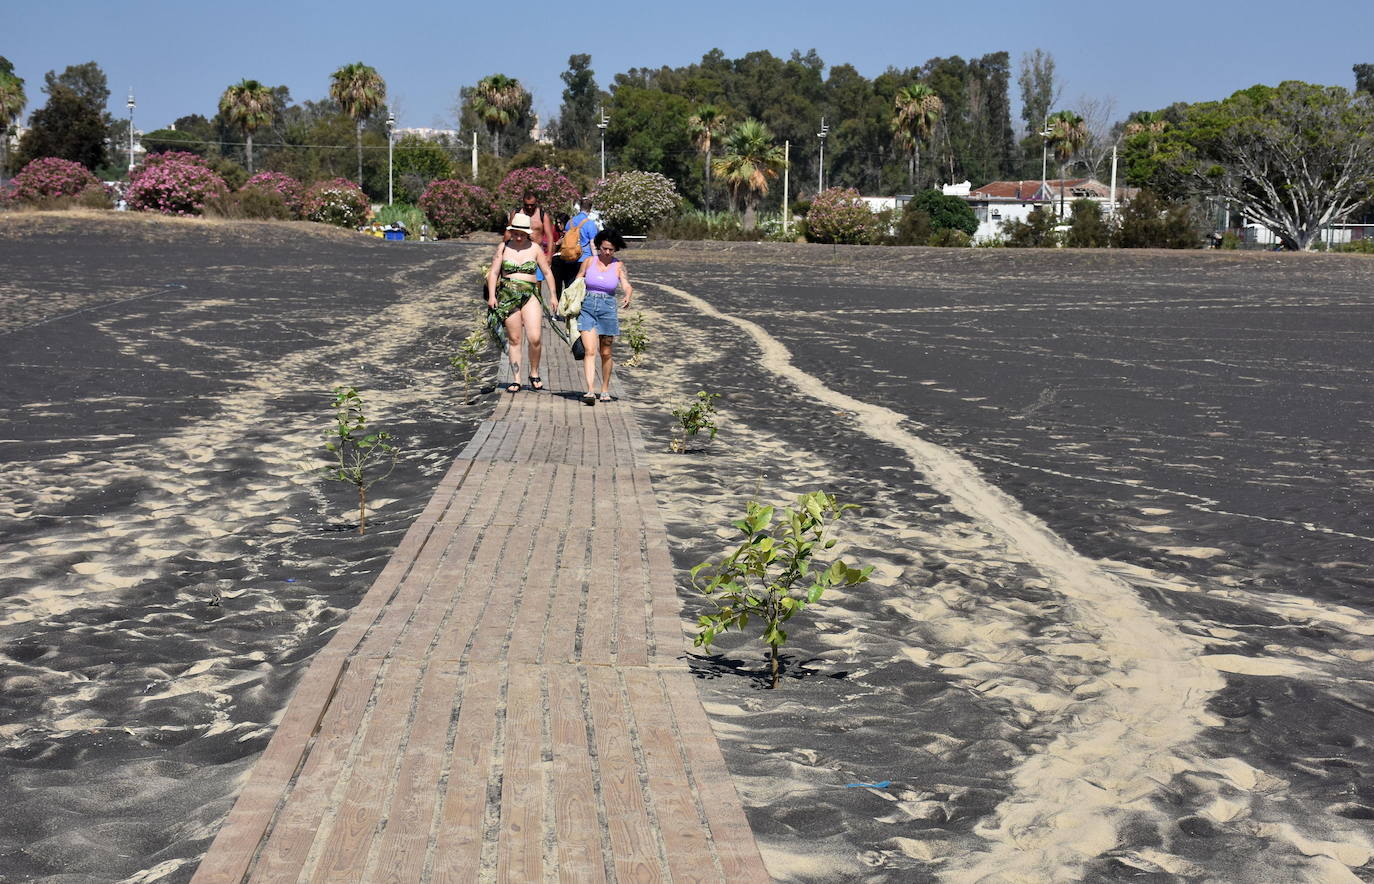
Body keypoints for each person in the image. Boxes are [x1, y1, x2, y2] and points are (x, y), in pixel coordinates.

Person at [487, 212, 557, 393]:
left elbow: (547, 273)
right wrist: (492, 296)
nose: (518, 237)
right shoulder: (503, 247)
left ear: (528, 233)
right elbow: (494, 272)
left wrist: (553, 296)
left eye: (522, 233)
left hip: (530, 294)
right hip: (508, 294)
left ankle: (534, 372)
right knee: (515, 339)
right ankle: (516, 379)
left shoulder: (535, 248)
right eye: (515, 233)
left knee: (535, 338)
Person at [575, 230, 632, 405]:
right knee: (590, 350)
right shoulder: (589, 261)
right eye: (604, 248)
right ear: (599, 246)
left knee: (606, 352)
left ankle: (605, 389)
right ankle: (590, 390)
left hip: (608, 308)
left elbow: (627, 285)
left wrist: (627, 295)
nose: (607, 252)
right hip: (588, 307)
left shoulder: (619, 266)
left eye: (611, 250)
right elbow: (577, 281)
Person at [551, 197, 599, 297]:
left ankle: (568, 309)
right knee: (583, 288)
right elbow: (592, 244)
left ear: (580, 208)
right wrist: (595, 260)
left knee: (570, 286)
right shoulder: (590, 224)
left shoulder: (570, 222)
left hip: (569, 258)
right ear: (590, 209)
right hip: (584, 258)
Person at [504, 189, 557, 260]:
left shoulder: (543, 215)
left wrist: (549, 256)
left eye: (532, 205)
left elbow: (550, 237)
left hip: (536, 253)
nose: (529, 207)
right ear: (523, 202)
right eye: (527, 205)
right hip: (518, 251)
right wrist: (503, 250)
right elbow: (508, 232)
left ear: (536, 202)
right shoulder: (516, 213)